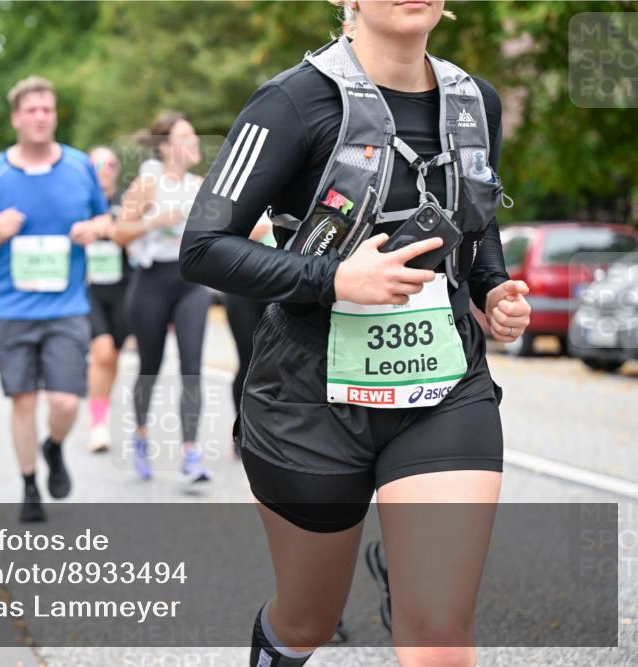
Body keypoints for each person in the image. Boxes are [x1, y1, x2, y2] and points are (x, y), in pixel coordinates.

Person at [180, 2, 530, 665]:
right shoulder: (291, 102)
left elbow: (476, 230)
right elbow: (202, 248)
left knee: (439, 633)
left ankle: (414, 586)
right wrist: (334, 279)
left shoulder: (475, 102)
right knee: (307, 619)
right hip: (309, 394)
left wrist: (493, 292)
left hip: (443, 386)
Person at [0, 76, 110, 522]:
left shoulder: (79, 165)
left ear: (55, 115)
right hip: (11, 307)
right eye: (32, 109)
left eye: (48, 109)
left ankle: (55, 445)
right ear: (16, 118)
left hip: (67, 307)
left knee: (65, 402)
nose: (41, 116)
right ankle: (29, 486)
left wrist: (95, 228)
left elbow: (105, 217)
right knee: (23, 401)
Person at [111, 111, 212, 484]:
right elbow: (120, 233)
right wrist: (155, 220)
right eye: (187, 136)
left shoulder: (201, 185)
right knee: (149, 369)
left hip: (189, 284)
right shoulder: (148, 183)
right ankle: (139, 437)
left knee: (192, 369)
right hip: (151, 283)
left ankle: (190, 454)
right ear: (167, 147)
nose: (196, 142)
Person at [85, 145, 131, 453]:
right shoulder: (78, 202)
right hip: (89, 289)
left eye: (110, 163)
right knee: (102, 353)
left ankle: (102, 410)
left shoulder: (126, 201)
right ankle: (97, 425)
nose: (105, 168)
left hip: (124, 287)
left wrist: (119, 230)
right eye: (98, 163)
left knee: (112, 355)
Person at [224, 217, 273, 458]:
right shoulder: (243, 190)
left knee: (278, 363)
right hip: (242, 286)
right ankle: (241, 432)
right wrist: (253, 230)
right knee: (249, 360)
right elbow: (219, 239)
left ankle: (271, 432)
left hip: (279, 285)